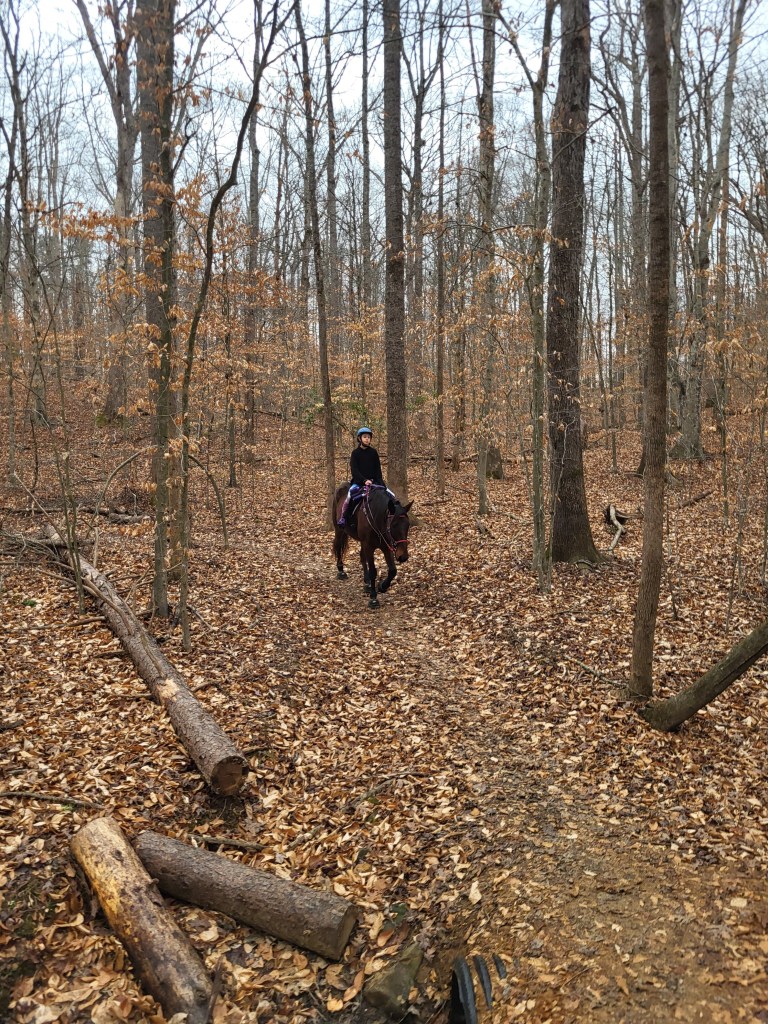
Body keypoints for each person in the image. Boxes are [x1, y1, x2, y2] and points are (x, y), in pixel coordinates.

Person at [338, 427, 393, 526]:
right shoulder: (355, 453)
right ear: (360, 438)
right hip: (359, 483)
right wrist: (364, 480)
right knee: (349, 496)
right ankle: (344, 518)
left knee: (391, 495)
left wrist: (381, 483)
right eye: (365, 437)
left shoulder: (373, 452)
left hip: (374, 482)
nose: (367, 439)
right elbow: (355, 471)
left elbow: (378, 470)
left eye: (368, 437)